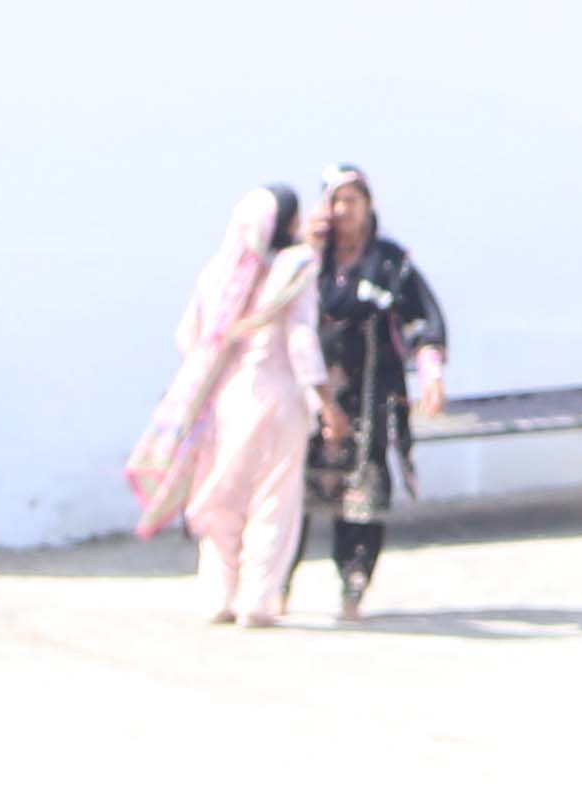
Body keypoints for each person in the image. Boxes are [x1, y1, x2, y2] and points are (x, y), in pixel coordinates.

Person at [124, 183, 316, 626]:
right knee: (273, 500)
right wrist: (322, 397)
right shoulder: (294, 269)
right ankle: (258, 600)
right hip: (280, 397)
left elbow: (187, 339)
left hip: (223, 400)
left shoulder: (217, 274)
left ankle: (217, 597)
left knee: (219, 498)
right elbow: (302, 340)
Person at [295, 166, 445, 616]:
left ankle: (354, 584)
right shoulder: (307, 260)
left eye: (352, 200)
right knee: (292, 494)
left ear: (368, 205)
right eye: (335, 201)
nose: (343, 210)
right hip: (309, 395)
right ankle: (276, 585)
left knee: (364, 492)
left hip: (371, 394)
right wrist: (306, 249)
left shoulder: (390, 263)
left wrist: (431, 372)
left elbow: (422, 319)